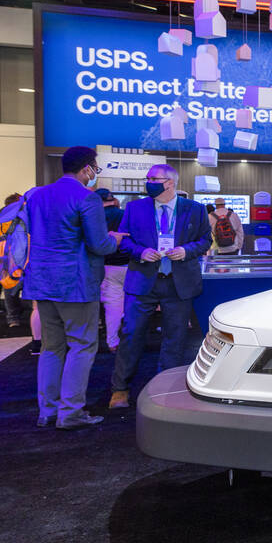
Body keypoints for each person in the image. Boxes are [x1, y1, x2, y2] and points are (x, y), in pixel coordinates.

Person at [23, 146, 123, 429]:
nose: (94, 174)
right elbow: (99, 245)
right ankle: (71, 412)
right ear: (87, 168)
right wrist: (114, 238)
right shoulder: (87, 198)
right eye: (95, 168)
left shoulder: (37, 195)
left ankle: (48, 411)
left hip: (42, 282)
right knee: (82, 345)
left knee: (51, 348)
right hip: (75, 284)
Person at [109, 164, 211, 409]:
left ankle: (163, 389)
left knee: (175, 339)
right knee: (131, 335)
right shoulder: (134, 208)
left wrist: (186, 250)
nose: (148, 182)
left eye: (153, 178)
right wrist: (141, 252)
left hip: (179, 284)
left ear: (170, 183)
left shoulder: (194, 209)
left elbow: (205, 239)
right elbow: (124, 242)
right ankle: (120, 388)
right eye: (148, 178)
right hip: (142, 283)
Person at [96, 189, 126, 351]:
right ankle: (132, 338)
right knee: (134, 304)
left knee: (112, 306)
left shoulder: (94, 218)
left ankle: (112, 341)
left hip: (106, 267)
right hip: (130, 265)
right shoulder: (124, 215)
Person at [0, 193, 25, 328]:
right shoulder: (20, 219)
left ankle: (14, 318)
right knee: (11, 290)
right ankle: (14, 317)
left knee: (10, 291)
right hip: (12, 260)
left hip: (9, 260)